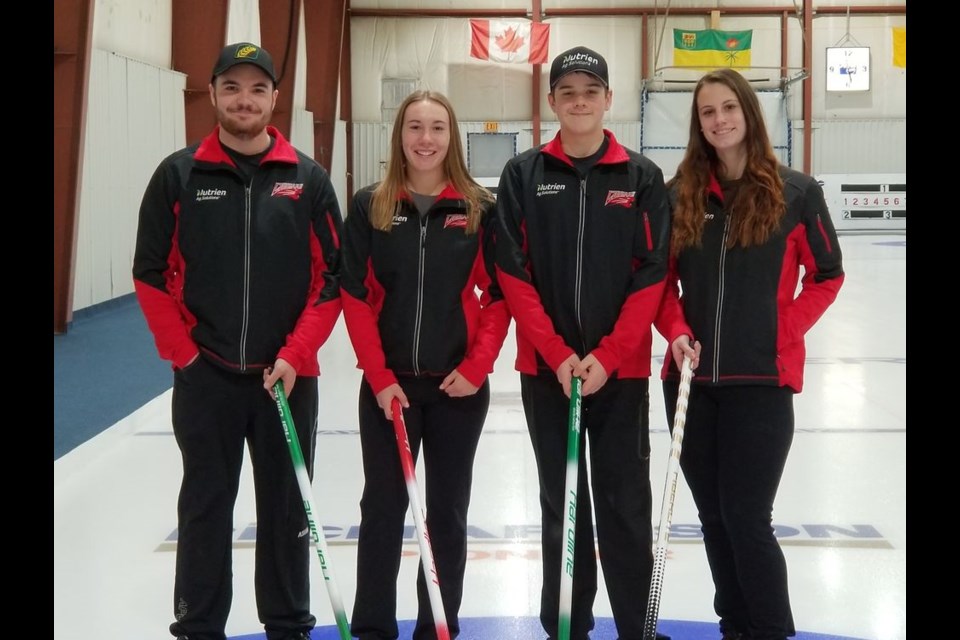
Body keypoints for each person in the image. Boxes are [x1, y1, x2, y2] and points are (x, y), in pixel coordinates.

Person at [132, 42, 344, 640]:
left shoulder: (307, 180)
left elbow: (333, 279)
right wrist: (187, 356)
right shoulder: (178, 176)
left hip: (287, 380)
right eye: (232, 88)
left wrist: (296, 355)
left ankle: (287, 625)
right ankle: (198, 627)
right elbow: (149, 274)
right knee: (204, 507)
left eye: (257, 89)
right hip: (207, 378)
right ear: (215, 95)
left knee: (284, 511)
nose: (244, 100)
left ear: (275, 98)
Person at [655, 68, 845, 640]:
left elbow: (827, 275)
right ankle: (734, 624)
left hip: (762, 381)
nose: (719, 121)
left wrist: (780, 326)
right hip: (691, 382)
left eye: (728, 109)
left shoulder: (797, 193)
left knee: (746, 517)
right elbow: (659, 284)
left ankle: (768, 628)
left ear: (748, 114)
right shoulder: (678, 194)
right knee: (713, 519)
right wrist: (676, 330)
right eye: (708, 113)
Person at [494, 46, 672, 640]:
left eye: (590, 91)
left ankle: (635, 629)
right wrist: (557, 354)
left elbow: (652, 274)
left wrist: (608, 356)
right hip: (548, 372)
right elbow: (512, 272)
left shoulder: (641, 177)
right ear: (552, 103)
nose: (578, 102)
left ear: (607, 100)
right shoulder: (522, 174)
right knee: (561, 506)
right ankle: (567, 625)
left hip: (619, 376)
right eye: (567, 92)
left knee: (625, 506)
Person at [340, 90, 511, 640]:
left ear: (451, 137)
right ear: (400, 136)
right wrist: (380, 378)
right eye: (415, 126)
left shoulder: (479, 207)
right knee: (384, 511)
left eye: (438, 127)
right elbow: (355, 298)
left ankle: (438, 626)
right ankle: (373, 628)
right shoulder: (371, 206)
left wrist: (478, 366)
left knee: (445, 515)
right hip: (390, 391)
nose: (426, 138)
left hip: (457, 390)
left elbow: (498, 297)